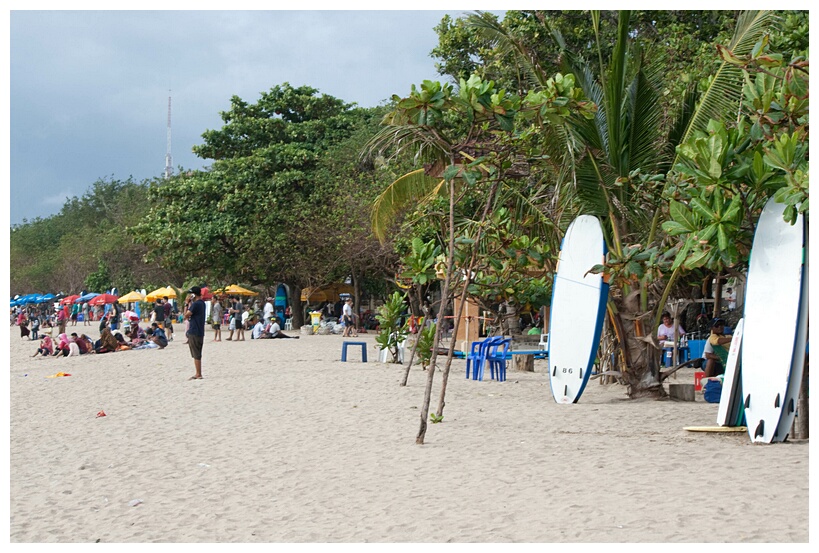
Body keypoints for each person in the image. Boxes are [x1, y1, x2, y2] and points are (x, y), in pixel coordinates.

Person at [184, 286, 206, 380]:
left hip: (194, 330)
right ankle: (198, 372)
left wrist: (186, 304)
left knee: (196, 353)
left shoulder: (195, 304)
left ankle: (198, 373)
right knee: (198, 352)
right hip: (200, 330)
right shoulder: (202, 303)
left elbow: (185, 315)